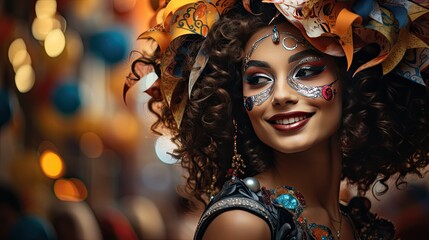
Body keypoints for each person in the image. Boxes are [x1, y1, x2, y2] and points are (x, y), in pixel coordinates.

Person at [125, 0, 429, 239]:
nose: (281, 95)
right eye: (258, 79)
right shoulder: (242, 226)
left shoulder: (353, 222)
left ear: (355, 85)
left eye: (306, 72)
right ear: (234, 103)